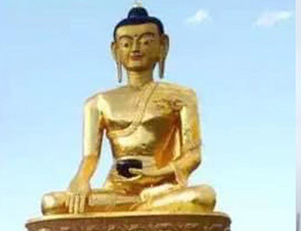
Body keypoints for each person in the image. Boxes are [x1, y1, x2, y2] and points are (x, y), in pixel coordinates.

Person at [39, 5, 216, 216]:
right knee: (51, 204)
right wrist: (80, 180)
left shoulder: (182, 96)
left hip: (162, 189)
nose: (135, 48)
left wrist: (157, 173)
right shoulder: (98, 102)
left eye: (146, 41)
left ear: (163, 45)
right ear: (115, 51)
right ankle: (140, 210)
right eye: (126, 43)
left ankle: (137, 210)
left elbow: (193, 154)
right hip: (117, 191)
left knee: (202, 197)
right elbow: (89, 158)